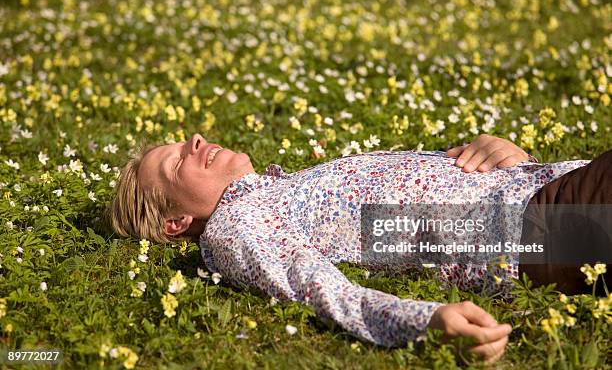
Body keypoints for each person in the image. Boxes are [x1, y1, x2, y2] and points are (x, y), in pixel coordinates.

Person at [107, 132, 611, 364]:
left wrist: (511, 158)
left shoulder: (277, 193)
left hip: (550, 191)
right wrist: (422, 321)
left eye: (183, 141)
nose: (195, 140)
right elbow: (316, 287)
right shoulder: (237, 225)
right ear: (177, 224)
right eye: (177, 164)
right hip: (534, 226)